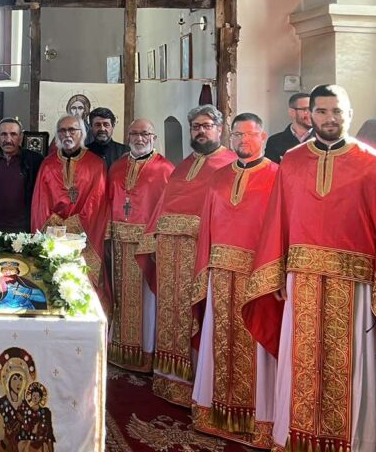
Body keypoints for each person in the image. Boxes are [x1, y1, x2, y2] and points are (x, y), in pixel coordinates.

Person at [243, 84, 376, 452]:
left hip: (357, 288)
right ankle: (296, 440)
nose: (330, 118)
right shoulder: (293, 162)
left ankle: (357, 443)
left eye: (337, 111)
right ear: (310, 115)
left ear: (349, 113)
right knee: (301, 365)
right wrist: (276, 269)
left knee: (355, 368)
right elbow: (278, 220)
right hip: (301, 282)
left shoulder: (374, 164)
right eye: (322, 111)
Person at [136, 104, 237, 406]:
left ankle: (194, 384)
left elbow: (226, 213)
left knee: (195, 313)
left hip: (199, 253)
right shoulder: (182, 166)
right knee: (169, 314)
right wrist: (153, 241)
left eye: (207, 126)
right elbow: (164, 205)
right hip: (169, 254)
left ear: (220, 129)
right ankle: (168, 379)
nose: (201, 131)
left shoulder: (229, 165)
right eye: (196, 127)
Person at [191, 113, 278, 448]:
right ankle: (216, 413)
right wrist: (206, 268)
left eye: (249, 134)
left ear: (263, 136)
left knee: (256, 345)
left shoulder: (277, 176)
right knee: (219, 341)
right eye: (237, 134)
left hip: (257, 276)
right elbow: (208, 226)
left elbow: (280, 227)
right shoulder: (219, 177)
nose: (243, 140)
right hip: (219, 273)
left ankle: (258, 420)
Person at [106, 118, 174, 372]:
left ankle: (145, 353)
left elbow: (167, 209)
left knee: (147, 302)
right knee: (120, 298)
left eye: (145, 133)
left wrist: (157, 241)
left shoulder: (165, 169)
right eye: (134, 133)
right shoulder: (117, 166)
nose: (139, 138)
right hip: (119, 245)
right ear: (128, 137)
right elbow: (108, 201)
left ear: (154, 137)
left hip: (147, 247)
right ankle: (119, 349)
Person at [31, 114, 109, 303]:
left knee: (82, 289)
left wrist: (72, 226)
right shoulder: (48, 164)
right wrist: (56, 224)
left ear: (82, 133)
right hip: (53, 235)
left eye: (72, 130)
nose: (67, 134)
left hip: (85, 239)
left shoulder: (96, 164)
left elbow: (97, 202)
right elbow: (40, 202)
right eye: (62, 130)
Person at [0, 118, 44, 234]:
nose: (8, 140)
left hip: (24, 230)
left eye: (13, 134)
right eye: (3, 134)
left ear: (21, 138)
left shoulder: (35, 161)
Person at [264, 92, 311, 163]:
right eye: (306, 110)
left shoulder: (324, 140)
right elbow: (271, 168)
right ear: (292, 112)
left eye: (313, 109)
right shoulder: (275, 142)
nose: (311, 114)